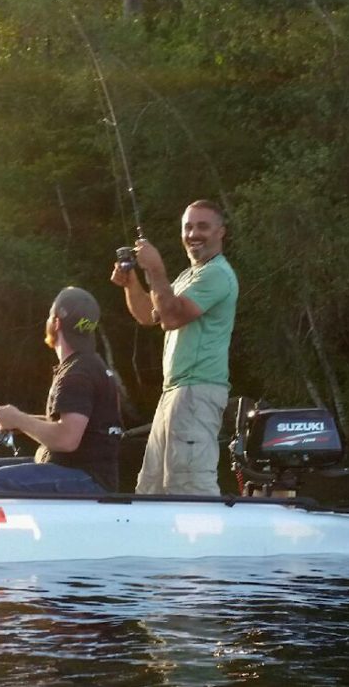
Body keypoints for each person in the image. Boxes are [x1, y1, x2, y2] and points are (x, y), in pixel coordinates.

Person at [110, 200, 238, 496]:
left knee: (190, 491)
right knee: (150, 492)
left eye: (203, 226)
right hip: (174, 395)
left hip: (198, 392)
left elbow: (171, 317)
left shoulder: (217, 274)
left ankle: (208, 541)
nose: (194, 233)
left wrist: (155, 269)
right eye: (188, 226)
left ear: (221, 232)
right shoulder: (187, 277)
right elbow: (147, 315)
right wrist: (131, 283)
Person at [0, 287, 122, 494]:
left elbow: (66, 439)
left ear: (56, 323)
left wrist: (19, 419)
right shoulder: (88, 365)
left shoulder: (77, 374)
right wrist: (22, 421)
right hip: (69, 468)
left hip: (87, 478)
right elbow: (74, 425)